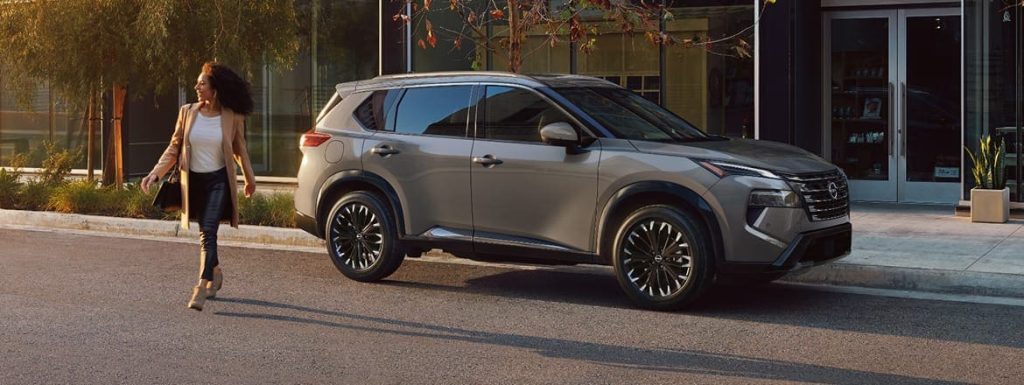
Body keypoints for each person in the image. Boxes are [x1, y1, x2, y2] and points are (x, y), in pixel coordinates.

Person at [141, 62, 256, 311]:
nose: (197, 86)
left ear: (214, 90)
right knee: (205, 232)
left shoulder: (231, 117)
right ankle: (215, 271)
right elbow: (174, 148)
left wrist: (249, 179)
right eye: (198, 83)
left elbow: (240, 150)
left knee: (208, 233)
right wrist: (154, 174)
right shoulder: (187, 112)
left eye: (202, 83)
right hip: (194, 182)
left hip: (218, 182)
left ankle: (201, 286)